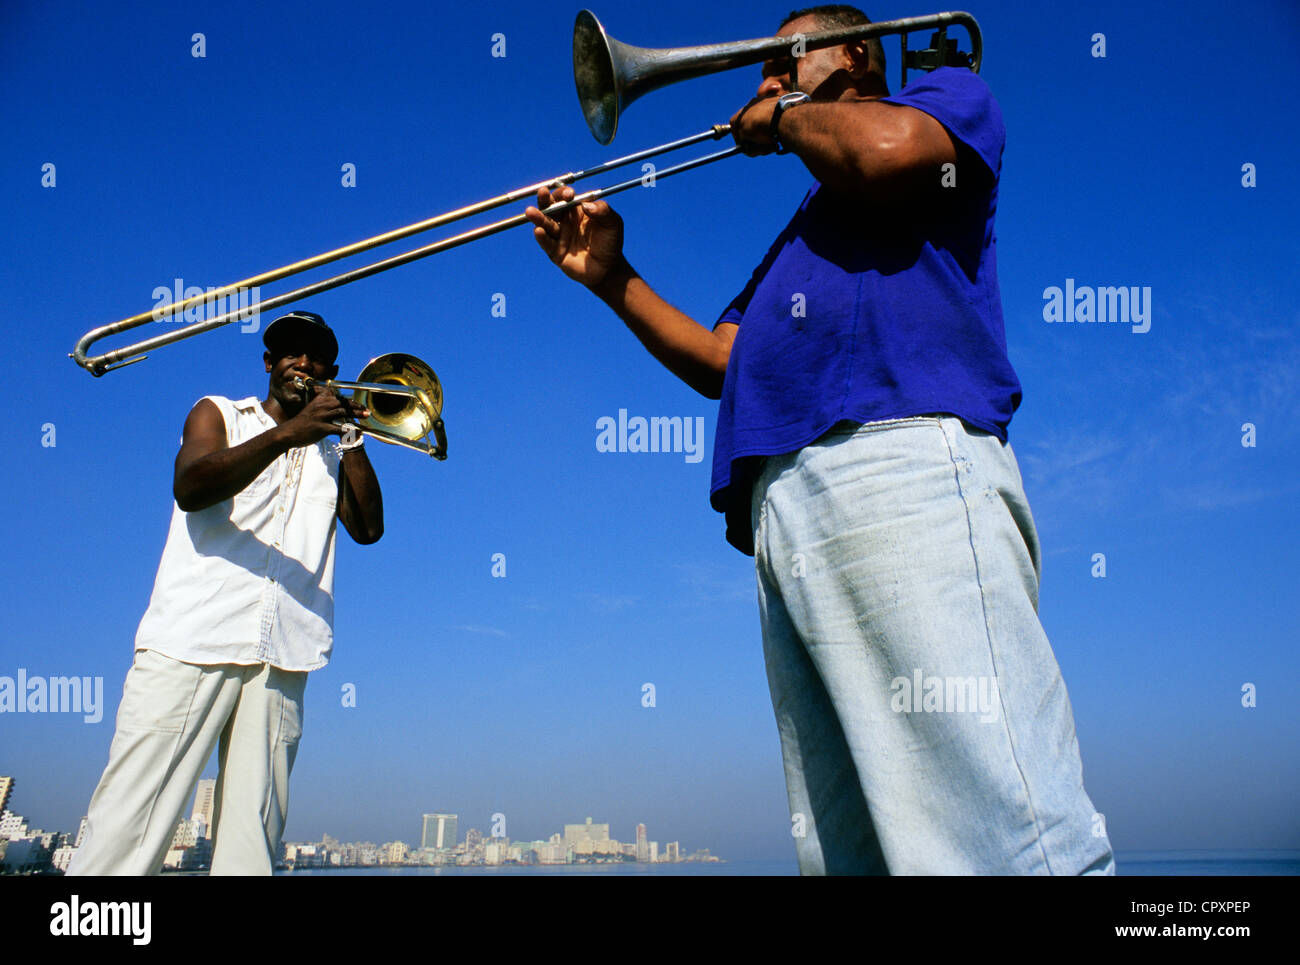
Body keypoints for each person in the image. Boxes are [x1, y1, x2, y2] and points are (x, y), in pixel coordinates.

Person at [528, 6, 1115, 874]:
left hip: (900, 467)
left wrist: (789, 121)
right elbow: (725, 361)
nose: (765, 80)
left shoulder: (945, 97)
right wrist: (613, 279)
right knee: (857, 848)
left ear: (861, 59)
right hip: (786, 519)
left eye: (787, 58)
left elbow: (884, 153)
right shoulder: (799, 238)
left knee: (997, 823)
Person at [67, 310, 384, 876]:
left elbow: (368, 529)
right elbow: (191, 486)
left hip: (283, 655)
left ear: (330, 373)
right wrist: (292, 432)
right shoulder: (218, 412)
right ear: (268, 363)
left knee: (253, 837)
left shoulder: (332, 450)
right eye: (289, 352)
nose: (302, 363)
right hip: (191, 641)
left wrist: (349, 434)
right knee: (129, 824)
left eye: (315, 356)